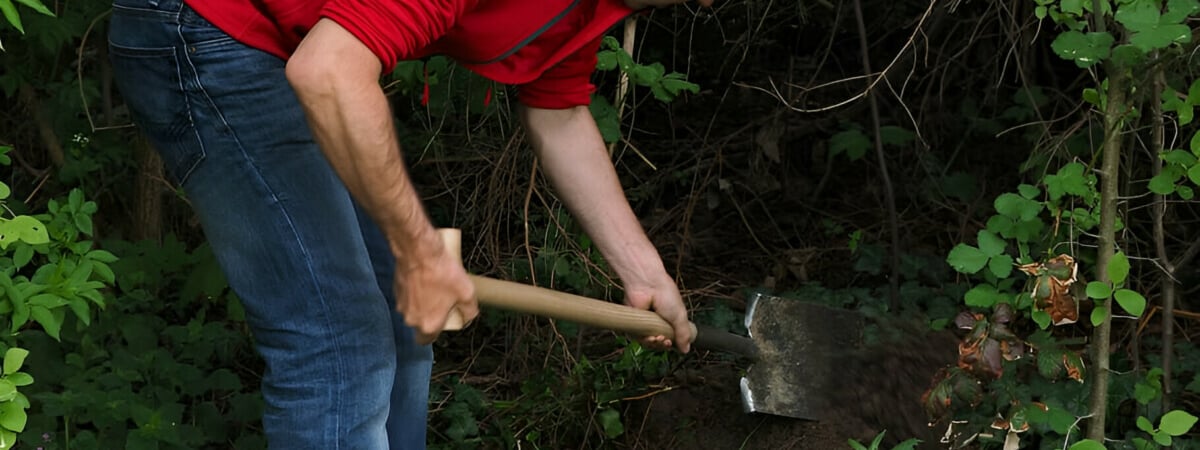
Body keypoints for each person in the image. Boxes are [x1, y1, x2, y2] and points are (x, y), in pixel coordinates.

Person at [108, 0, 709, 447]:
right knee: (339, 345)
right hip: (207, 29)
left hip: (283, 49)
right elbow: (330, 73)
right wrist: (420, 255)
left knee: (401, 322)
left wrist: (644, 272)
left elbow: (561, 108)